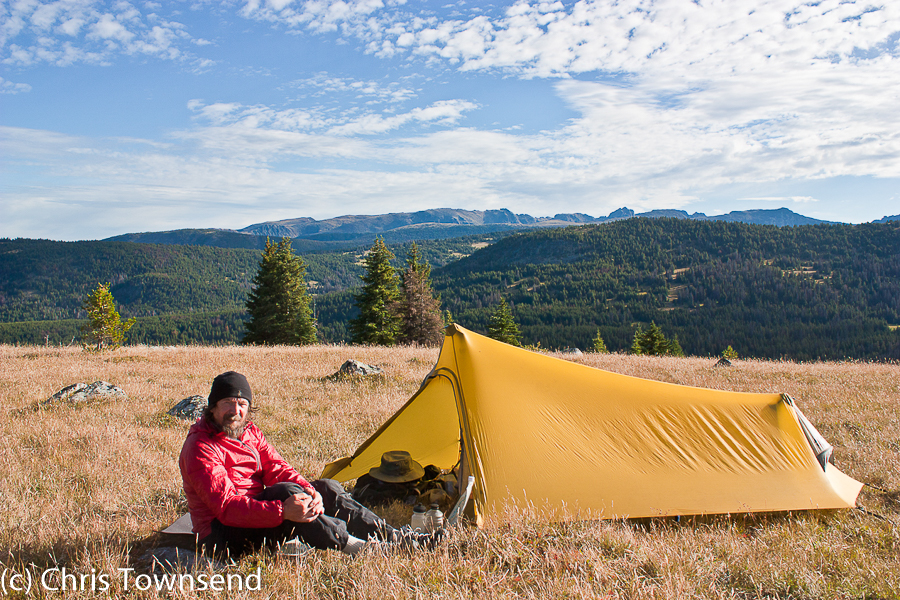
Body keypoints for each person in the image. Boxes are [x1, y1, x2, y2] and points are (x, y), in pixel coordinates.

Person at [179, 371, 440, 557]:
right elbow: (226, 508)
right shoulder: (200, 448)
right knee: (287, 495)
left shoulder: (249, 433)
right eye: (227, 403)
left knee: (326, 487)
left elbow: (277, 467)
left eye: (242, 404)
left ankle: (395, 537)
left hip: (258, 512)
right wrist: (281, 511)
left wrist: (310, 491)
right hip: (222, 536)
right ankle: (359, 546)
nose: (235, 411)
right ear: (212, 408)